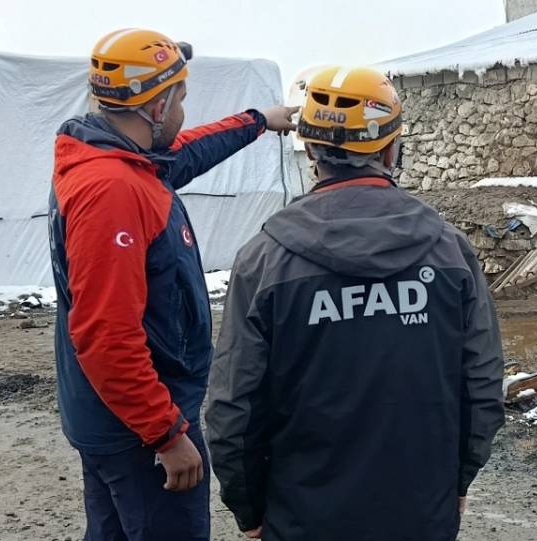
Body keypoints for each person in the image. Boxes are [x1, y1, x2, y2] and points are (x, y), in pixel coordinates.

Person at [206, 66, 505, 541]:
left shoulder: (263, 259)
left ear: (310, 149)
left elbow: (233, 405)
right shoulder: (450, 250)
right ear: (390, 148)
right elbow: (482, 385)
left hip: (303, 518)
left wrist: (249, 507)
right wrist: (458, 478)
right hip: (420, 512)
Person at [48, 28, 297, 541]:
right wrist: (165, 433)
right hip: (137, 431)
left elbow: (186, 152)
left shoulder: (118, 160)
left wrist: (257, 121)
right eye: (181, 98)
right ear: (156, 106)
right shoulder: (113, 190)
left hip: (113, 415)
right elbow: (105, 333)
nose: (184, 110)